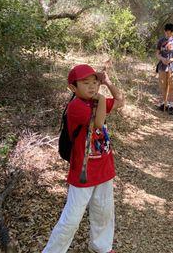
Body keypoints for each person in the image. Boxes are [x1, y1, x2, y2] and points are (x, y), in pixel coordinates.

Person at [43, 64, 124, 253]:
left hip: (104, 166)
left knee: (104, 211)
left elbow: (120, 100)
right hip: (83, 172)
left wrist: (108, 83)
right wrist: (102, 97)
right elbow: (98, 123)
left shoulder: (96, 101)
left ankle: (101, 246)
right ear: (73, 88)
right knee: (71, 218)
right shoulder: (76, 106)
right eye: (85, 83)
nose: (91, 87)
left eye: (95, 82)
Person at [156, 23, 173, 114]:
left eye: (170, 32)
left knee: (171, 86)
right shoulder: (161, 41)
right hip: (162, 67)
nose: (168, 34)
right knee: (162, 85)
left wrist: (172, 59)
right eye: (166, 32)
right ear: (164, 31)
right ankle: (164, 103)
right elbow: (157, 54)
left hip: (172, 67)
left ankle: (171, 105)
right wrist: (162, 59)